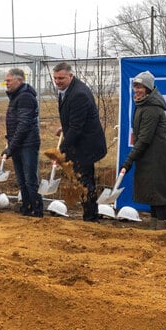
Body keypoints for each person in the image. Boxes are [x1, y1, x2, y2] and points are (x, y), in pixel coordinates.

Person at [120, 71, 166, 229]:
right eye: (135, 86)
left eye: (140, 87)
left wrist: (128, 162)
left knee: (157, 194)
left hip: (158, 156)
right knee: (152, 193)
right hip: (149, 154)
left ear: (148, 88)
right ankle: (154, 228)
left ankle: (161, 230)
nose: (137, 90)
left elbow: (144, 138)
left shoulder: (152, 108)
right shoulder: (142, 104)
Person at [52, 62, 107, 222]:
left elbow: (77, 128)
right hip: (80, 142)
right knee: (83, 180)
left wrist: (60, 151)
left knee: (84, 181)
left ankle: (91, 218)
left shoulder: (78, 94)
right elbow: (75, 119)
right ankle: (90, 214)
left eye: (61, 78)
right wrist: (64, 128)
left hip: (86, 146)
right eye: (55, 78)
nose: (58, 81)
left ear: (71, 76)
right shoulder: (68, 90)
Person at [3, 68, 43, 216]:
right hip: (18, 144)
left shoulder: (25, 97)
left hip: (27, 144)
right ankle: (27, 207)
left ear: (19, 80)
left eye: (9, 80)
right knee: (21, 180)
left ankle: (37, 210)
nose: (6, 83)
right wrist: (10, 142)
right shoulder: (16, 96)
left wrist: (11, 147)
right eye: (5, 80)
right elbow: (15, 123)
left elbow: (24, 124)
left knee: (30, 180)